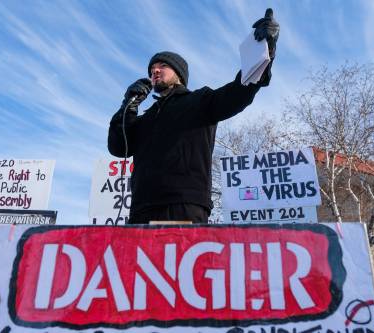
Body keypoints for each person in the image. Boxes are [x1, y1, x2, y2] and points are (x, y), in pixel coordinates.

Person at [108, 9, 279, 224]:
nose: (155, 71)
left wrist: (266, 51)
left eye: (162, 65)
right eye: (152, 69)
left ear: (179, 73)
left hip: (182, 206)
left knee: (179, 258)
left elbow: (239, 92)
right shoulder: (145, 118)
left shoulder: (198, 101)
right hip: (141, 209)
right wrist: (129, 104)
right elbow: (118, 146)